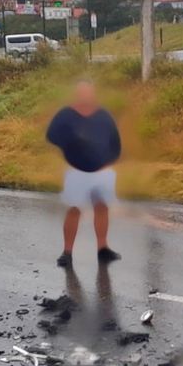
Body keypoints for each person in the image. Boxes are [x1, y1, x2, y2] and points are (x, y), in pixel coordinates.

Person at [46, 80, 122, 267]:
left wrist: (110, 160)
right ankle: (67, 252)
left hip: (102, 171)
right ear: (78, 94)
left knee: (102, 207)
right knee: (74, 209)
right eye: (83, 92)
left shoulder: (103, 115)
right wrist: (71, 148)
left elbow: (115, 140)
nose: (86, 96)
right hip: (77, 171)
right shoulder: (66, 115)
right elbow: (52, 135)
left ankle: (103, 248)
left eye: (89, 92)